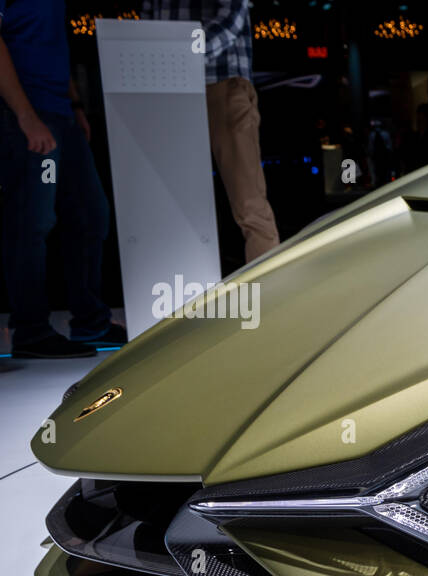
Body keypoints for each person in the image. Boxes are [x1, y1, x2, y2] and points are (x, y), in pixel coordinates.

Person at [0, 0, 120, 358]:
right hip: (28, 114)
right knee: (33, 220)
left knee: (90, 214)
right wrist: (25, 115)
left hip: (60, 114)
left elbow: (53, 45)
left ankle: (90, 321)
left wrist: (76, 105)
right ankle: (31, 330)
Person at [142, 0, 279, 263]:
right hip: (171, 87)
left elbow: (231, 19)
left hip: (221, 80)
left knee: (248, 200)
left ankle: (269, 292)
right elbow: (148, 22)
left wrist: (179, 53)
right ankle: (182, 288)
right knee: (176, 203)